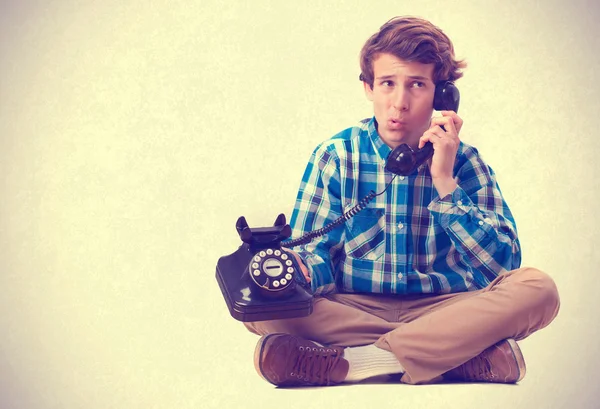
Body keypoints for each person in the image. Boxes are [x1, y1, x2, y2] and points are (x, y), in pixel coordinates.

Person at [245, 16, 560, 386]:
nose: (399, 103)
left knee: (538, 290)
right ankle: (452, 356)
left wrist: (444, 182)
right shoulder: (336, 156)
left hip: (445, 309)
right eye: (387, 84)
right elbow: (318, 259)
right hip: (356, 309)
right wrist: (298, 270)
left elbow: (501, 267)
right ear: (368, 87)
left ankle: (362, 362)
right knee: (258, 306)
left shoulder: (465, 161)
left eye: (416, 85)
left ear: (442, 95)